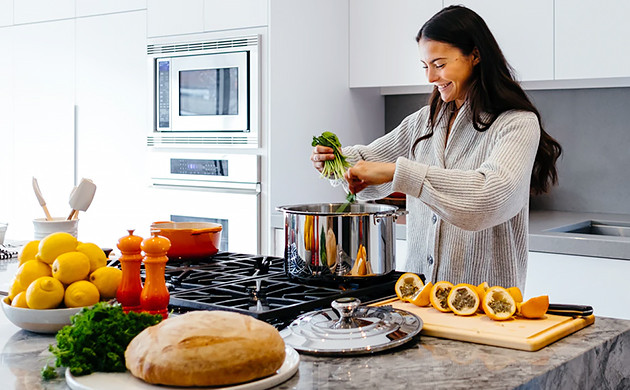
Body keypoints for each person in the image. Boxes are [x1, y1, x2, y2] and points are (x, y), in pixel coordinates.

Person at [310, 5, 561, 291]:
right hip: (418, 297)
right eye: (425, 66)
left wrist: (400, 173)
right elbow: (369, 164)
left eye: (439, 65)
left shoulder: (516, 123)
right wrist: (336, 162)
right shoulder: (424, 121)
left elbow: (491, 196)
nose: (430, 78)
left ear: (475, 56)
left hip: (487, 303)